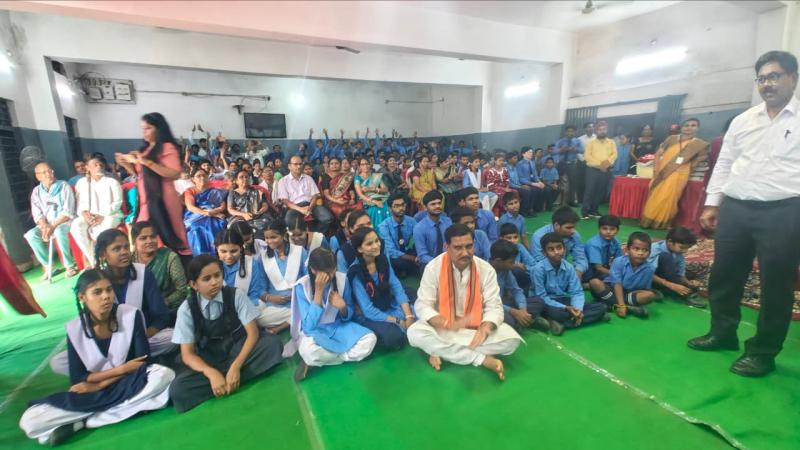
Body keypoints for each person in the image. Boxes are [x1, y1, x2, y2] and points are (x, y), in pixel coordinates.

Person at [688, 51, 800, 377]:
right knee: (724, 274)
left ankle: (763, 352)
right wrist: (713, 203)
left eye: (774, 76)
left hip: (784, 210)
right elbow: (725, 163)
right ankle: (722, 333)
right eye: (762, 78)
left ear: (793, 78)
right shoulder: (743, 120)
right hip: (736, 208)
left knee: (775, 283)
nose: (767, 84)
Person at [19, 270, 174, 446]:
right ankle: (120, 411)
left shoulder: (130, 315)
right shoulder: (75, 329)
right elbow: (78, 378)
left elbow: (143, 363)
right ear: (82, 297)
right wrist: (119, 371)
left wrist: (100, 383)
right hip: (96, 392)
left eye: (109, 290)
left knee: (163, 375)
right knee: (30, 420)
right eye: (97, 292)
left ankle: (84, 422)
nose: (106, 296)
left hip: (128, 383)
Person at [50, 229, 176, 375]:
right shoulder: (96, 280)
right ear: (103, 254)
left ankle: (107, 369)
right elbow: (90, 320)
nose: (124, 252)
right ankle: (119, 367)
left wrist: (139, 337)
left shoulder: (143, 273)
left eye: (126, 247)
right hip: (106, 343)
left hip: (142, 339)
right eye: (116, 249)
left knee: (174, 337)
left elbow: (161, 316)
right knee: (58, 362)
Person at [169, 255, 284, 412]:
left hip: (238, 350)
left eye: (217, 275)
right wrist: (210, 373)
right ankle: (225, 379)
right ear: (194, 284)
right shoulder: (186, 309)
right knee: (178, 389)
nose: (214, 282)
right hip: (210, 359)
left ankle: (226, 381)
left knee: (272, 344)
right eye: (206, 279)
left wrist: (236, 366)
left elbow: (253, 333)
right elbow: (187, 355)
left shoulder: (235, 295)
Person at [407, 224, 523, 380]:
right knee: (415, 332)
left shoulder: (485, 269)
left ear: (474, 245)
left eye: (469, 246)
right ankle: (481, 358)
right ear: (446, 247)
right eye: (458, 248)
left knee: (511, 341)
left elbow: (494, 306)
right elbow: (422, 305)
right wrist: (445, 323)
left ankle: (439, 350)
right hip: (442, 326)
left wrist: (485, 327)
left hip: (474, 327)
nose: (465, 253)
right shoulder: (433, 268)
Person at [290, 247, 377, 381]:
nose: (331, 276)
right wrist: (318, 292)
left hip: (339, 327)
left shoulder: (342, 280)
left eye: (333, 270)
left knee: (370, 339)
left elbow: (349, 316)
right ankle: (340, 356)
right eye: (326, 273)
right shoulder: (302, 286)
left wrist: (343, 307)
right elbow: (308, 327)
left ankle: (324, 360)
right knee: (309, 352)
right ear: (313, 270)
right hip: (316, 332)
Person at [115, 112, 191, 257]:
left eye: (148, 128)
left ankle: (173, 262)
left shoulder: (167, 147)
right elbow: (141, 175)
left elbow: (174, 173)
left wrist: (146, 162)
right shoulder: (145, 150)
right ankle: (153, 264)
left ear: (159, 128)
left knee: (168, 234)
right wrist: (126, 164)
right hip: (146, 198)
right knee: (144, 233)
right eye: (143, 129)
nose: (144, 132)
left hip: (164, 199)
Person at [346, 227, 414, 350]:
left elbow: (396, 287)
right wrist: (398, 321)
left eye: (377, 241)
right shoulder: (355, 273)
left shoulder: (382, 260)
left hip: (388, 305)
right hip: (369, 315)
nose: (376, 245)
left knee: (418, 314)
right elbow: (368, 310)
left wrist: (409, 316)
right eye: (369, 244)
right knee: (394, 337)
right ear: (360, 249)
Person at [640, 118, 710, 229]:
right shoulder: (671, 139)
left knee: (671, 198)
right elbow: (658, 154)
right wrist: (656, 171)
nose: (689, 127)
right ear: (682, 127)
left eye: (693, 125)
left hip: (681, 174)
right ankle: (648, 221)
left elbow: (697, 161)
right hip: (663, 172)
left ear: (698, 128)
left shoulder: (699, 144)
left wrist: (686, 170)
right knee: (657, 196)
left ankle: (663, 223)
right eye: (686, 125)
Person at [534, 233, 609, 336]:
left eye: (559, 247)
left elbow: (577, 292)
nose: (556, 252)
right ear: (544, 253)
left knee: (602, 307)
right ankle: (591, 317)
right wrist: (566, 308)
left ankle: (562, 323)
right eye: (551, 249)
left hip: (562, 299)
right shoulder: (538, 269)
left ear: (564, 249)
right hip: (546, 303)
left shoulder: (569, 267)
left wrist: (578, 309)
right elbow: (541, 297)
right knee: (556, 312)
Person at [24, 162, 78, 279]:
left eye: (50, 171)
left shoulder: (64, 186)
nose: (48, 174)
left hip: (64, 222)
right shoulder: (36, 192)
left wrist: (52, 226)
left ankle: (69, 266)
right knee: (31, 235)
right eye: (44, 172)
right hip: (47, 224)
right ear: (38, 176)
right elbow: (37, 213)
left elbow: (68, 212)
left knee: (59, 231)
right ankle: (49, 267)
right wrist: (44, 226)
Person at [589, 232, 658, 319]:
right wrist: (621, 305)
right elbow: (616, 284)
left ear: (649, 252)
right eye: (636, 249)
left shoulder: (650, 269)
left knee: (650, 295)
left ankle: (611, 306)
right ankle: (625, 308)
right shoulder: (618, 261)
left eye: (645, 250)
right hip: (611, 289)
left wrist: (637, 294)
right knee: (594, 282)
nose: (640, 253)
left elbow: (643, 289)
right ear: (627, 250)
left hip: (628, 294)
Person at [70, 155, 123, 267]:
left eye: (100, 165)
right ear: (87, 168)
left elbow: (117, 203)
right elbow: (80, 203)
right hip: (90, 217)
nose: (99, 167)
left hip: (110, 215)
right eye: (95, 165)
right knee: (76, 225)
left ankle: (106, 258)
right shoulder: (81, 183)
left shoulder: (112, 182)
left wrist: (102, 216)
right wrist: (84, 213)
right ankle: (93, 260)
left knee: (108, 224)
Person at [256, 218, 307, 333]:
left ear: (284, 235)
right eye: (266, 238)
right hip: (273, 303)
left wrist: (296, 292)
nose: (269, 241)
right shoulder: (263, 257)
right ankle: (297, 317)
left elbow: (308, 279)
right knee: (257, 318)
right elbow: (260, 287)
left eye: (273, 237)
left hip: (297, 299)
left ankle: (288, 321)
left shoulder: (300, 251)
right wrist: (270, 297)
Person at [489, 240, 548, 332]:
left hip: (503, 302)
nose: (514, 265)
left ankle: (522, 321)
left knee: (539, 302)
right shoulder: (484, 272)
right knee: (508, 319)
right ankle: (527, 321)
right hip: (489, 306)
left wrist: (522, 309)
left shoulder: (505, 270)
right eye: (511, 262)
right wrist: (514, 312)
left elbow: (516, 290)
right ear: (498, 261)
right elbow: (487, 303)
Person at [131, 221, 188, 313]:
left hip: (169, 310)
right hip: (139, 310)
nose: (149, 241)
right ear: (134, 241)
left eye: (153, 236)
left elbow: (182, 290)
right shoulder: (130, 260)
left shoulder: (169, 257)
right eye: (143, 238)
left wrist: (162, 303)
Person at [649, 227, 705, 308]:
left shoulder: (678, 253)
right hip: (649, 278)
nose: (685, 251)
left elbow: (680, 273)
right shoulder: (655, 249)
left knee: (692, 273)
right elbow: (647, 273)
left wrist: (688, 283)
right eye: (682, 247)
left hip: (665, 276)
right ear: (670, 242)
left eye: (687, 248)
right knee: (666, 258)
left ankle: (664, 290)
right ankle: (683, 294)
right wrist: (672, 285)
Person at [275, 155, 333, 233]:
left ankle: (314, 235)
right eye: (295, 164)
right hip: (294, 207)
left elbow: (315, 195)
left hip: (311, 205)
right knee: (289, 221)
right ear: (289, 166)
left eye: (300, 164)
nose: (299, 166)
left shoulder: (309, 178)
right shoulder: (283, 181)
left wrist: (310, 207)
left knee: (328, 218)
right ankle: (301, 237)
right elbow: (285, 201)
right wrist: (301, 209)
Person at [215, 228, 269, 312]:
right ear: (216, 249)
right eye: (223, 251)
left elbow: (255, 294)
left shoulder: (251, 263)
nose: (229, 256)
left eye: (234, 251)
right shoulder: (211, 266)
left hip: (247, 307)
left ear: (241, 248)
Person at [530, 207, 588, 279]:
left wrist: (577, 273)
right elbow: (539, 261)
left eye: (574, 227)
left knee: (588, 269)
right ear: (556, 225)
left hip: (563, 268)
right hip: (544, 271)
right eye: (568, 228)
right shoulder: (539, 236)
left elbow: (581, 258)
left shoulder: (574, 235)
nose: (573, 231)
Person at [183, 167, 227, 255]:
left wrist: (213, 212)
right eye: (198, 176)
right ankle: (200, 255)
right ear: (193, 179)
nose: (202, 178)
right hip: (195, 215)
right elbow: (190, 207)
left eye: (204, 175)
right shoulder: (190, 190)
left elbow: (222, 206)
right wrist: (207, 213)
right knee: (196, 228)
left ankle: (217, 255)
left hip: (214, 213)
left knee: (219, 225)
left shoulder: (214, 191)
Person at [582, 121, 617, 219]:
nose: (602, 131)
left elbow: (614, 154)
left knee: (600, 191)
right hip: (592, 170)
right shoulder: (591, 143)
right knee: (589, 190)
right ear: (596, 131)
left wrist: (607, 163)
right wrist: (600, 165)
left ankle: (594, 210)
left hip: (606, 170)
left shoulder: (611, 142)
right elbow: (587, 156)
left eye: (604, 129)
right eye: (600, 129)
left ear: (607, 130)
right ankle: (585, 212)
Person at [378, 193, 418, 277]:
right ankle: (407, 268)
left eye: (402, 205)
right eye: (396, 206)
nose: (401, 208)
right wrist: (413, 258)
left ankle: (405, 269)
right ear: (390, 209)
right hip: (393, 256)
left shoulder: (412, 221)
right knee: (391, 260)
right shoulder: (383, 226)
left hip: (405, 252)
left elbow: (420, 238)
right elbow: (391, 251)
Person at [412, 190, 452, 268]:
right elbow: (422, 255)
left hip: (449, 260)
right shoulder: (419, 228)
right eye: (433, 204)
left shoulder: (448, 222)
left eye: (439, 203)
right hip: (430, 263)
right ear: (425, 207)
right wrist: (440, 263)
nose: (437, 206)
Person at [581, 215, 623, 286]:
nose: (608, 232)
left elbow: (619, 260)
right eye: (604, 228)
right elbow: (599, 268)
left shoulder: (616, 241)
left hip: (604, 271)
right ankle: (587, 285)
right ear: (599, 229)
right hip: (590, 274)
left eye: (612, 229)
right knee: (618, 282)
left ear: (617, 231)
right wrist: (617, 274)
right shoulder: (594, 244)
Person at [227, 169, 271, 234]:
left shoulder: (258, 191)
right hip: (240, 217)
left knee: (266, 223)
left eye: (246, 177)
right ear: (236, 181)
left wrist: (260, 211)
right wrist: (244, 214)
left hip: (258, 216)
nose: (245, 179)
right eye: (241, 177)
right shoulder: (232, 193)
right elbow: (230, 209)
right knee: (237, 227)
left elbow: (265, 205)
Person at [498, 223, 536, 292]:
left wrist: (525, 267)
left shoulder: (519, 247)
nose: (513, 240)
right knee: (516, 270)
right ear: (501, 238)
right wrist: (515, 265)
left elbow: (533, 264)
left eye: (515, 237)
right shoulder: (498, 249)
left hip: (520, 278)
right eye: (509, 238)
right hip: (502, 280)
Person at [354, 157, 390, 227]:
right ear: (359, 166)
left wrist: (373, 189)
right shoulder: (357, 178)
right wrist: (374, 202)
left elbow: (385, 189)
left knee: (384, 207)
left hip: (381, 199)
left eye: (367, 164)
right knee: (375, 210)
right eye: (362, 164)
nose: (365, 166)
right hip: (367, 201)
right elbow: (360, 194)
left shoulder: (376, 176)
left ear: (370, 164)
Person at [555, 125, 584, 207]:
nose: (570, 133)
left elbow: (583, 150)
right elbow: (554, 150)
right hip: (562, 164)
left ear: (574, 132)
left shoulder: (577, 141)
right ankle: (561, 201)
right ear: (565, 132)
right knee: (561, 182)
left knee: (573, 183)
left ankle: (571, 201)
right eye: (568, 131)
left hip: (572, 164)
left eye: (572, 131)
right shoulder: (561, 141)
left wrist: (575, 149)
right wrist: (561, 150)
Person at [515, 148, 545, 216]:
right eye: (529, 152)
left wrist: (539, 182)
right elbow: (520, 178)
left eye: (532, 152)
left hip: (532, 182)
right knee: (531, 190)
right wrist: (533, 184)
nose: (531, 154)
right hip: (523, 183)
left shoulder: (532, 162)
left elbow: (535, 175)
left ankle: (533, 208)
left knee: (540, 188)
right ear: (523, 154)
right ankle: (524, 210)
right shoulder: (520, 164)